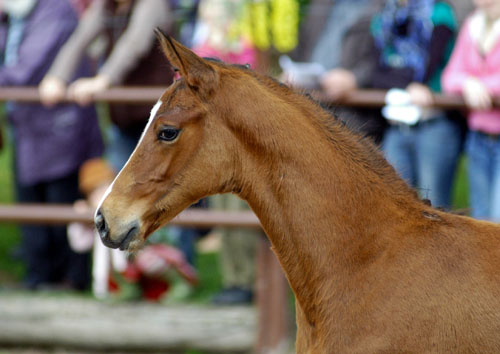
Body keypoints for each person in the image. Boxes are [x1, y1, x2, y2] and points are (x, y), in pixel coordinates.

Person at [0, 0, 104, 290]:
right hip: (28, 125)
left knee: (62, 204)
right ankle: (39, 276)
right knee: (31, 204)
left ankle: (70, 279)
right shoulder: (15, 15)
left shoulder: (55, 11)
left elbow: (26, 69)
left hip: (62, 126)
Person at [371, 0, 465, 209]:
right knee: (394, 209)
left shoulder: (440, 14)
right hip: (397, 126)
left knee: (436, 211)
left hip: (434, 124)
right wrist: (408, 83)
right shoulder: (384, 18)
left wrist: (397, 77)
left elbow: (427, 68)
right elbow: (376, 75)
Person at [283, 0, 387, 143]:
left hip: (354, 112)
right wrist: (292, 72)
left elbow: (390, 58)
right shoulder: (320, 5)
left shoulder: (384, 6)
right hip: (309, 103)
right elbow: (300, 50)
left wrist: (355, 79)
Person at [442, 0, 500, 220]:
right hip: (479, 139)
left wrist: (484, 86)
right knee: (482, 219)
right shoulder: (472, 26)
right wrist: (468, 83)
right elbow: (450, 77)